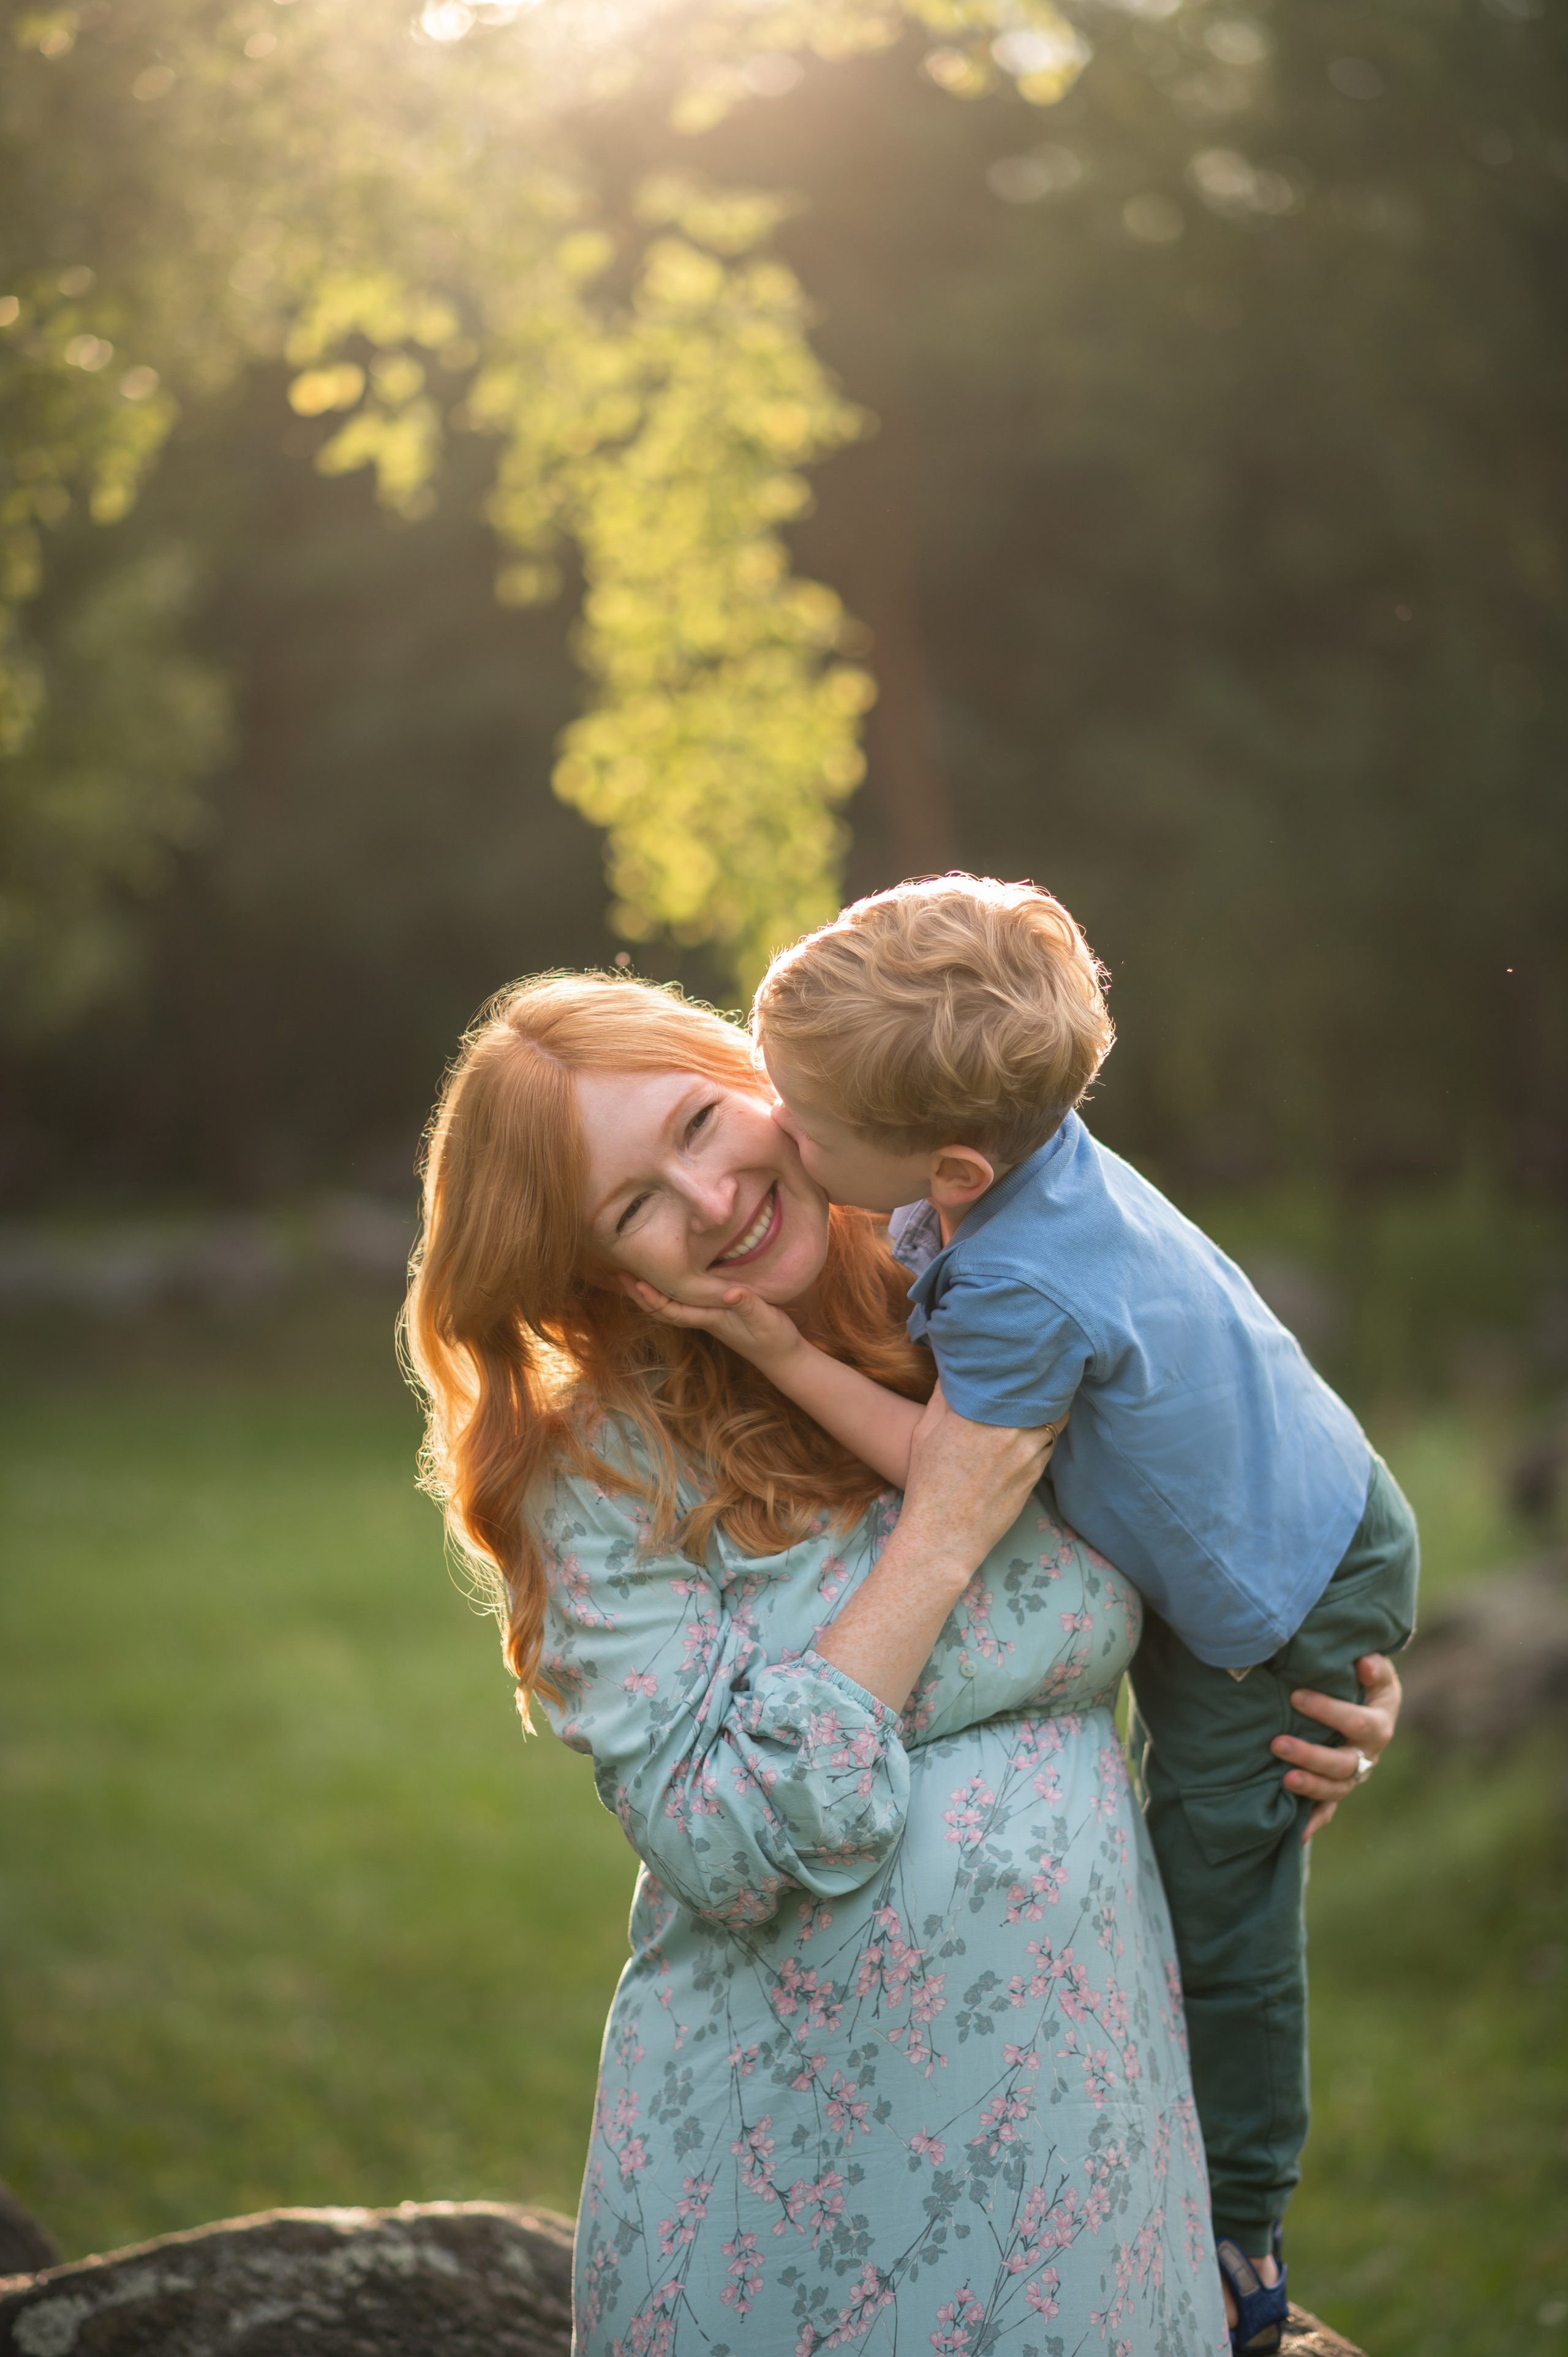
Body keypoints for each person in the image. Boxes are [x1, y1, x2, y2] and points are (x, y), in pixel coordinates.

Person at [404, 970, 1400, 2356]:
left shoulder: (990, 1273)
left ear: (761, 1078)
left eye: (699, 1124)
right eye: (633, 1203)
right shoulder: (596, 1464)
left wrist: (1303, 1691)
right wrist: (934, 1540)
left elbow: (1209, 1503)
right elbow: (720, 1836)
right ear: (602, 1271)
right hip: (790, 2201)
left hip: (1087, 2165)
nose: (708, 1202)